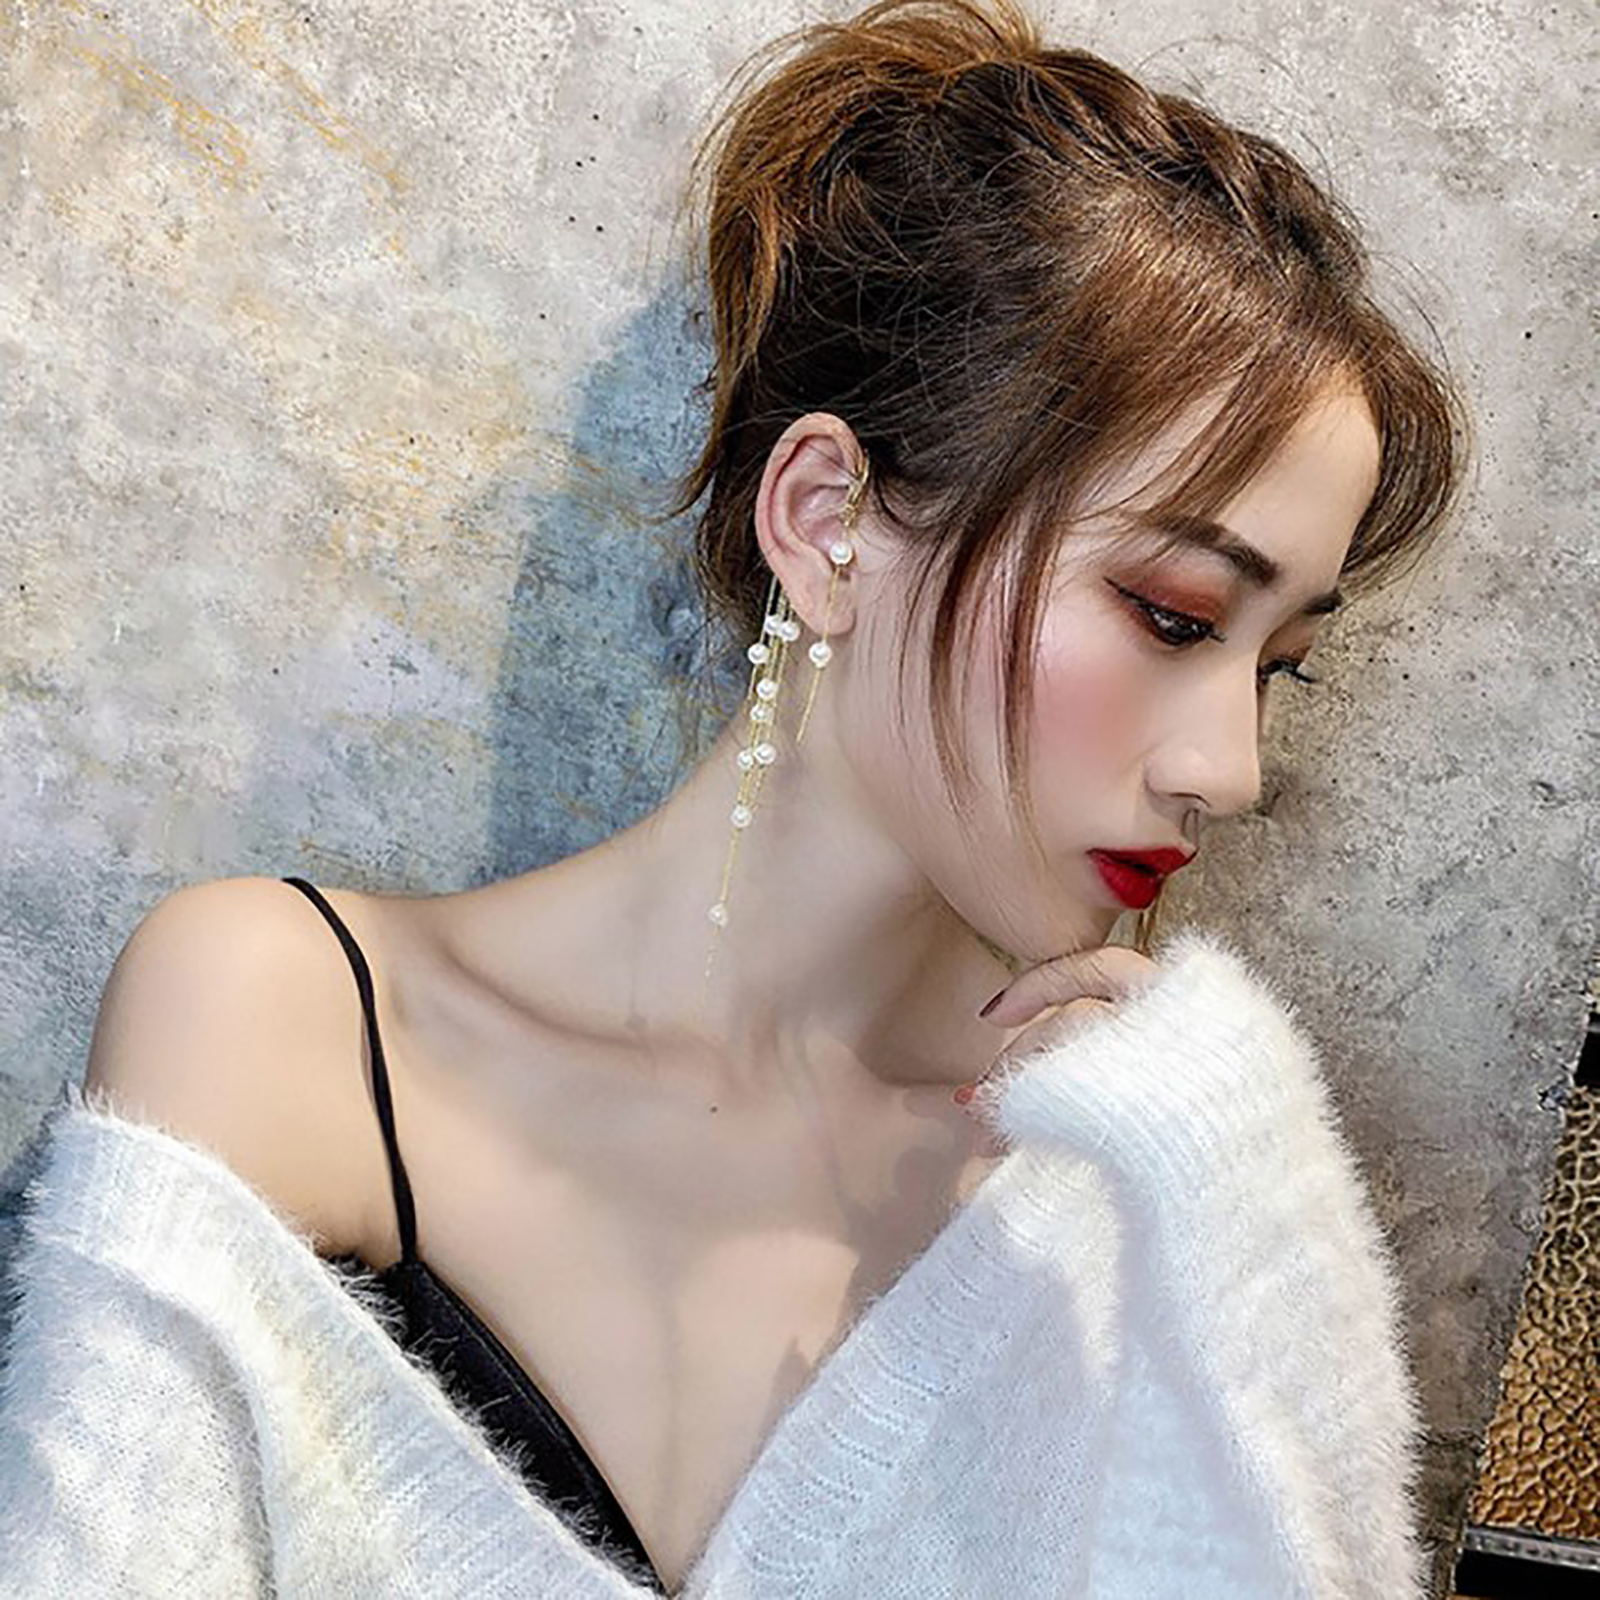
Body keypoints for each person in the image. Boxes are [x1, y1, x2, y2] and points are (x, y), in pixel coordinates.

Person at [0, 2, 1464, 1596]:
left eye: (1278, 666)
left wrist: (1242, 1205)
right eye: (1175, 617)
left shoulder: (1113, 1196)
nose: (1228, 769)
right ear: (828, 521)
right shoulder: (290, 1025)